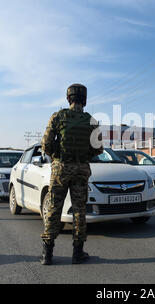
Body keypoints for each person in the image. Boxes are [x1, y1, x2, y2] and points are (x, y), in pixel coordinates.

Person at [40, 83, 103, 265]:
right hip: (81, 169)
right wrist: (83, 157)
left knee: (53, 209)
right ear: (84, 99)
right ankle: (77, 253)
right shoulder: (91, 120)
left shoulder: (58, 116)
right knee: (79, 211)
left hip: (61, 169)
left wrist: (57, 157)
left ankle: (47, 254)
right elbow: (98, 149)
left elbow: (45, 144)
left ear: (68, 98)